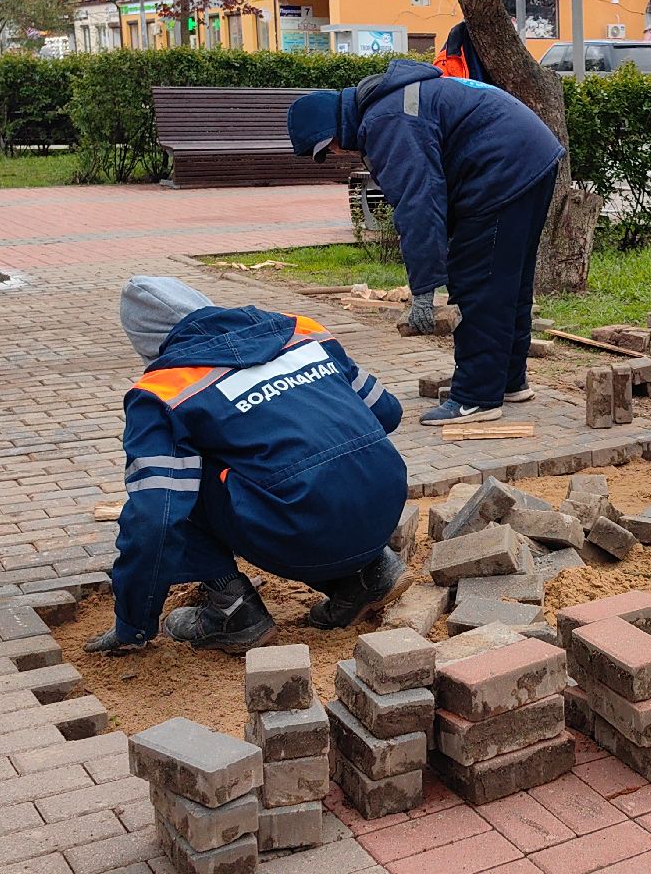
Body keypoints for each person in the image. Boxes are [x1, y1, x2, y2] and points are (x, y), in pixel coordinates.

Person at [84, 277, 411, 655]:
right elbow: (387, 411)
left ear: (147, 344)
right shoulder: (304, 332)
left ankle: (232, 611)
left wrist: (133, 623)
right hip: (385, 503)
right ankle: (369, 573)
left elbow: (155, 519)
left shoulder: (163, 390)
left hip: (302, 529)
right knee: (312, 462)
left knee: (173, 487)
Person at [287, 60, 565, 425]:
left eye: (330, 148)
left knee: (478, 281)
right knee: (507, 279)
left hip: (503, 166)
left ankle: (477, 398)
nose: (337, 154)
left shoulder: (387, 121)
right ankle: (508, 381)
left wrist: (423, 291)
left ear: (332, 130)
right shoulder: (394, 103)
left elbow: (418, 204)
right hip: (531, 157)